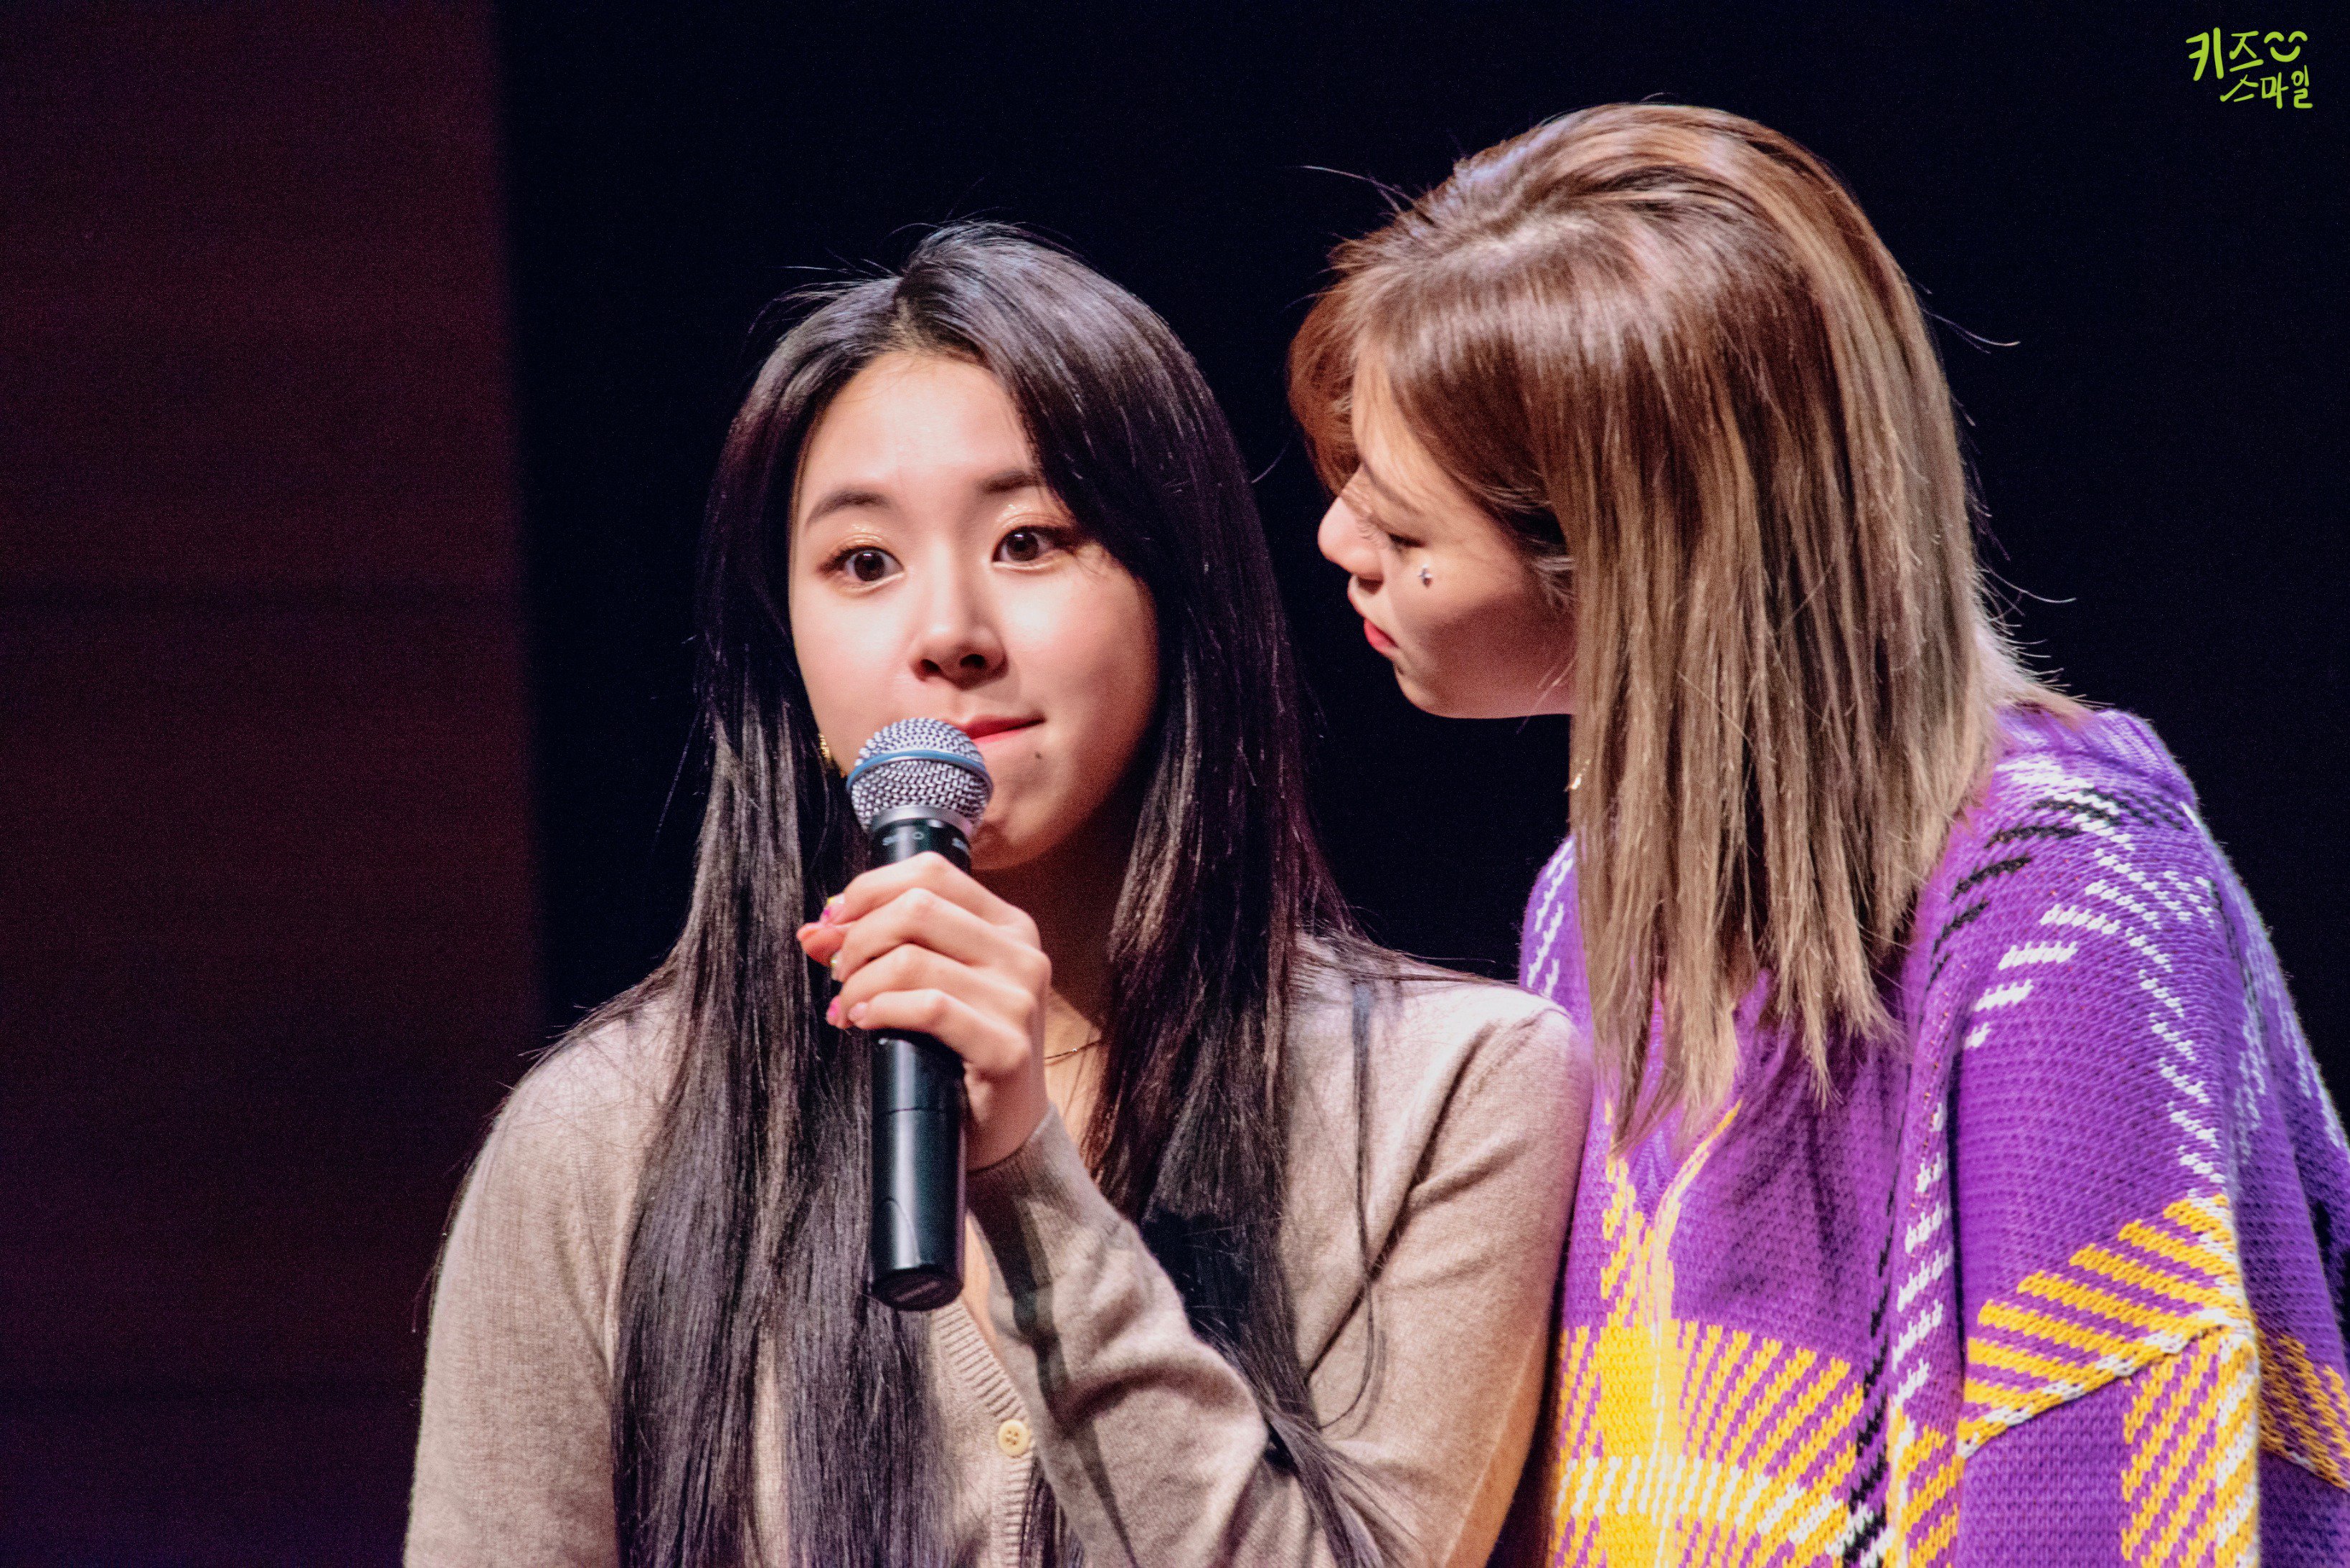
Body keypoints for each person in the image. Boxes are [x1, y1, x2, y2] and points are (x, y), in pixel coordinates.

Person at [407, 225, 1587, 1568]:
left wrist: (1029, 1181)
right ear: (783, 647)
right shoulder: (607, 1134)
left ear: (1178, 591)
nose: (949, 632)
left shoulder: (1452, 1090)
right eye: (864, 563)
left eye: (1030, 540)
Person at [1289, 105, 2350, 1563]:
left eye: (1406, 530)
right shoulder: (1594, 888)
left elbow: (2106, 1497)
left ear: (1635, 565)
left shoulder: (2074, 919)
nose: (1341, 545)